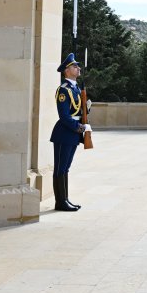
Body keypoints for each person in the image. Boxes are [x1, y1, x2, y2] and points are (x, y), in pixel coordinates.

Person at [49, 53, 91, 212]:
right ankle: (60, 202)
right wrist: (80, 127)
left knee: (66, 168)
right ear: (66, 71)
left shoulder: (77, 89)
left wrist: (86, 110)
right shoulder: (63, 90)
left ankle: (65, 199)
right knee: (60, 168)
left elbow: (79, 112)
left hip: (73, 133)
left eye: (78, 66)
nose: (78, 68)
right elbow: (64, 116)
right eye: (74, 66)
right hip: (64, 133)